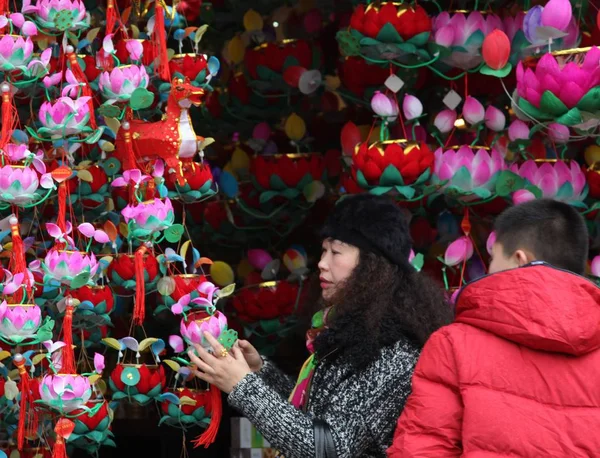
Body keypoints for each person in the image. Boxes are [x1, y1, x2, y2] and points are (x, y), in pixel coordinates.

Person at [188, 194, 452, 457]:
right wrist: (259, 371)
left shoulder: (393, 351)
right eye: (324, 250)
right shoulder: (355, 329)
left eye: (336, 252)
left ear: (373, 265)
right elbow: (316, 410)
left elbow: (328, 448)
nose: (322, 263)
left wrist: (243, 386)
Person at [388, 199, 600, 457]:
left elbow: (422, 449)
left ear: (520, 260)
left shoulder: (455, 344)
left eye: (493, 258)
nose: (488, 270)